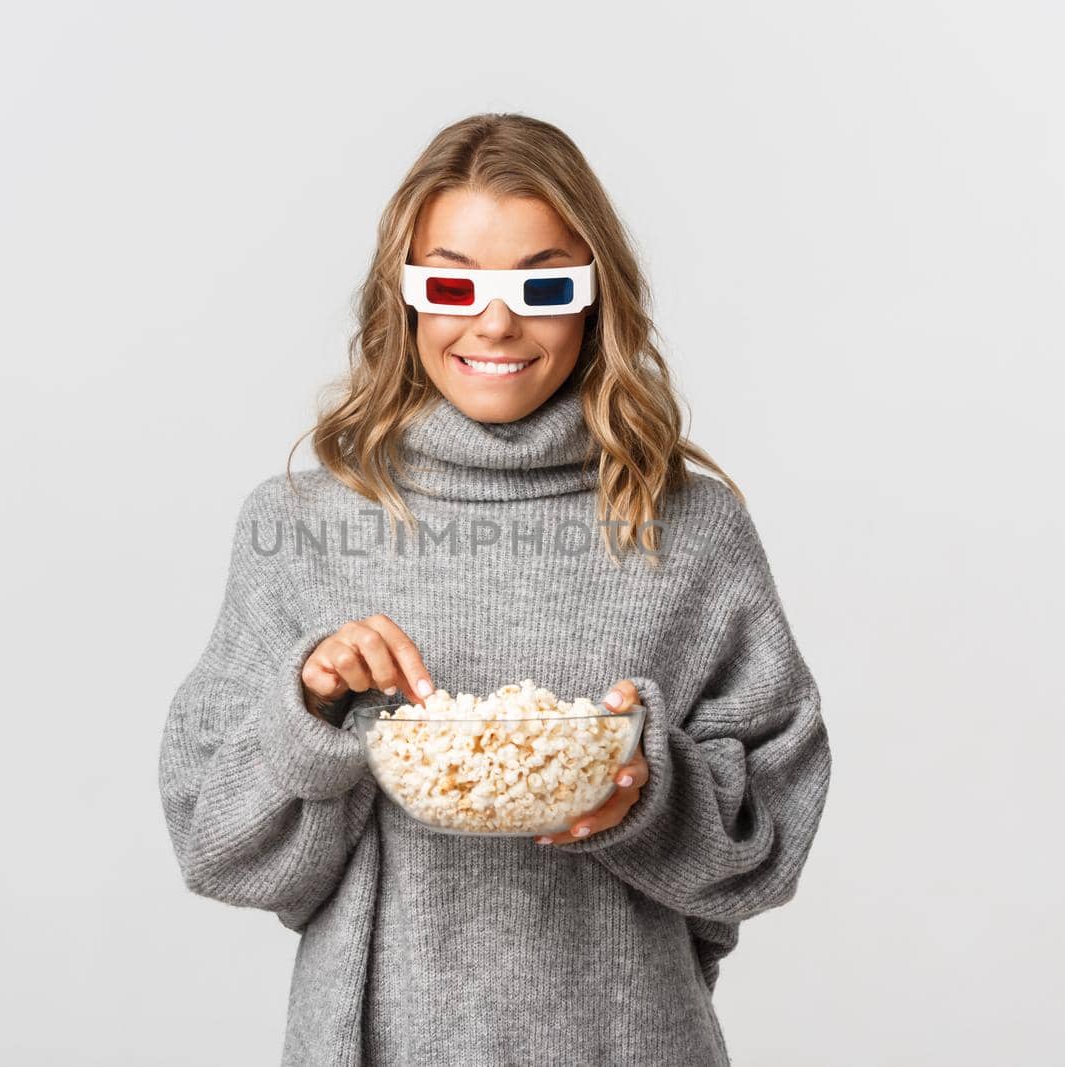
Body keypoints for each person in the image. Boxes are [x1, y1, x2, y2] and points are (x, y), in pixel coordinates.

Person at [158, 112, 833, 1066]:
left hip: (630, 1037)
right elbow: (217, 846)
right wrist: (310, 707)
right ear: (404, 301)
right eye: (452, 281)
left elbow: (767, 845)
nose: (496, 321)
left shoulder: (691, 528)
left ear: (599, 301)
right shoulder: (303, 525)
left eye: (543, 283)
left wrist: (646, 788)